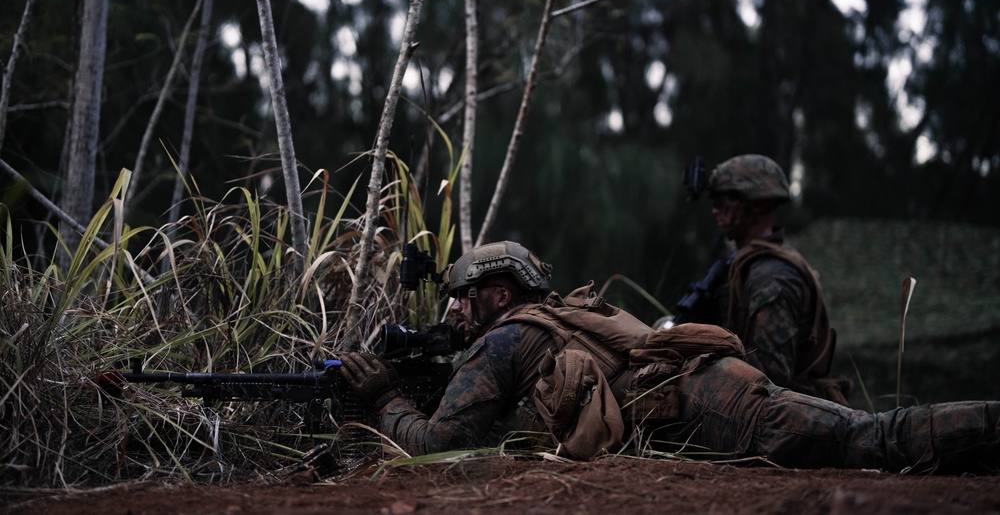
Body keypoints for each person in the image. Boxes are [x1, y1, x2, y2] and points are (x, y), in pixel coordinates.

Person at [339, 240, 1000, 474]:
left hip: (711, 403)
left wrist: (385, 398)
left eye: (461, 298)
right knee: (866, 437)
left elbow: (438, 442)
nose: (452, 310)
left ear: (500, 293)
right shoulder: (560, 315)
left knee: (871, 439)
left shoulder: (506, 336)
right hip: (711, 390)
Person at [673, 154, 849, 404]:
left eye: (725, 201)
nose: (715, 209)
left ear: (758, 206)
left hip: (791, 414)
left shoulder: (771, 276)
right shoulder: (742, 263)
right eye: (715, 201)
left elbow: (770, 376)